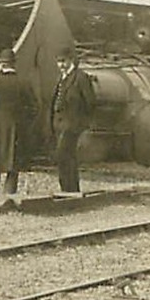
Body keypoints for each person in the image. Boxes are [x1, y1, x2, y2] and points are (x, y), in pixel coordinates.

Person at [0, 49, 38, 198]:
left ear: (1, 64)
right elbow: (34, 107)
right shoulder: (23, 82)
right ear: (14, 64)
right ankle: (10, 196)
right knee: (13, 164)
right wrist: (24, 122)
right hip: (17, 127)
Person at [50, 50, 97, 196]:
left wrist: (80, 121)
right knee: (64, 156)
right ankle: (67, 189)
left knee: (64, 154)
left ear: (71, 60)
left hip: (72, 124)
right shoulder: (62, 78)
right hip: (59, 124)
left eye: (63, 61)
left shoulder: (80, 77)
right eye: (59, 62)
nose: (61, 65)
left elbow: (91, 101)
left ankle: (70, 189)